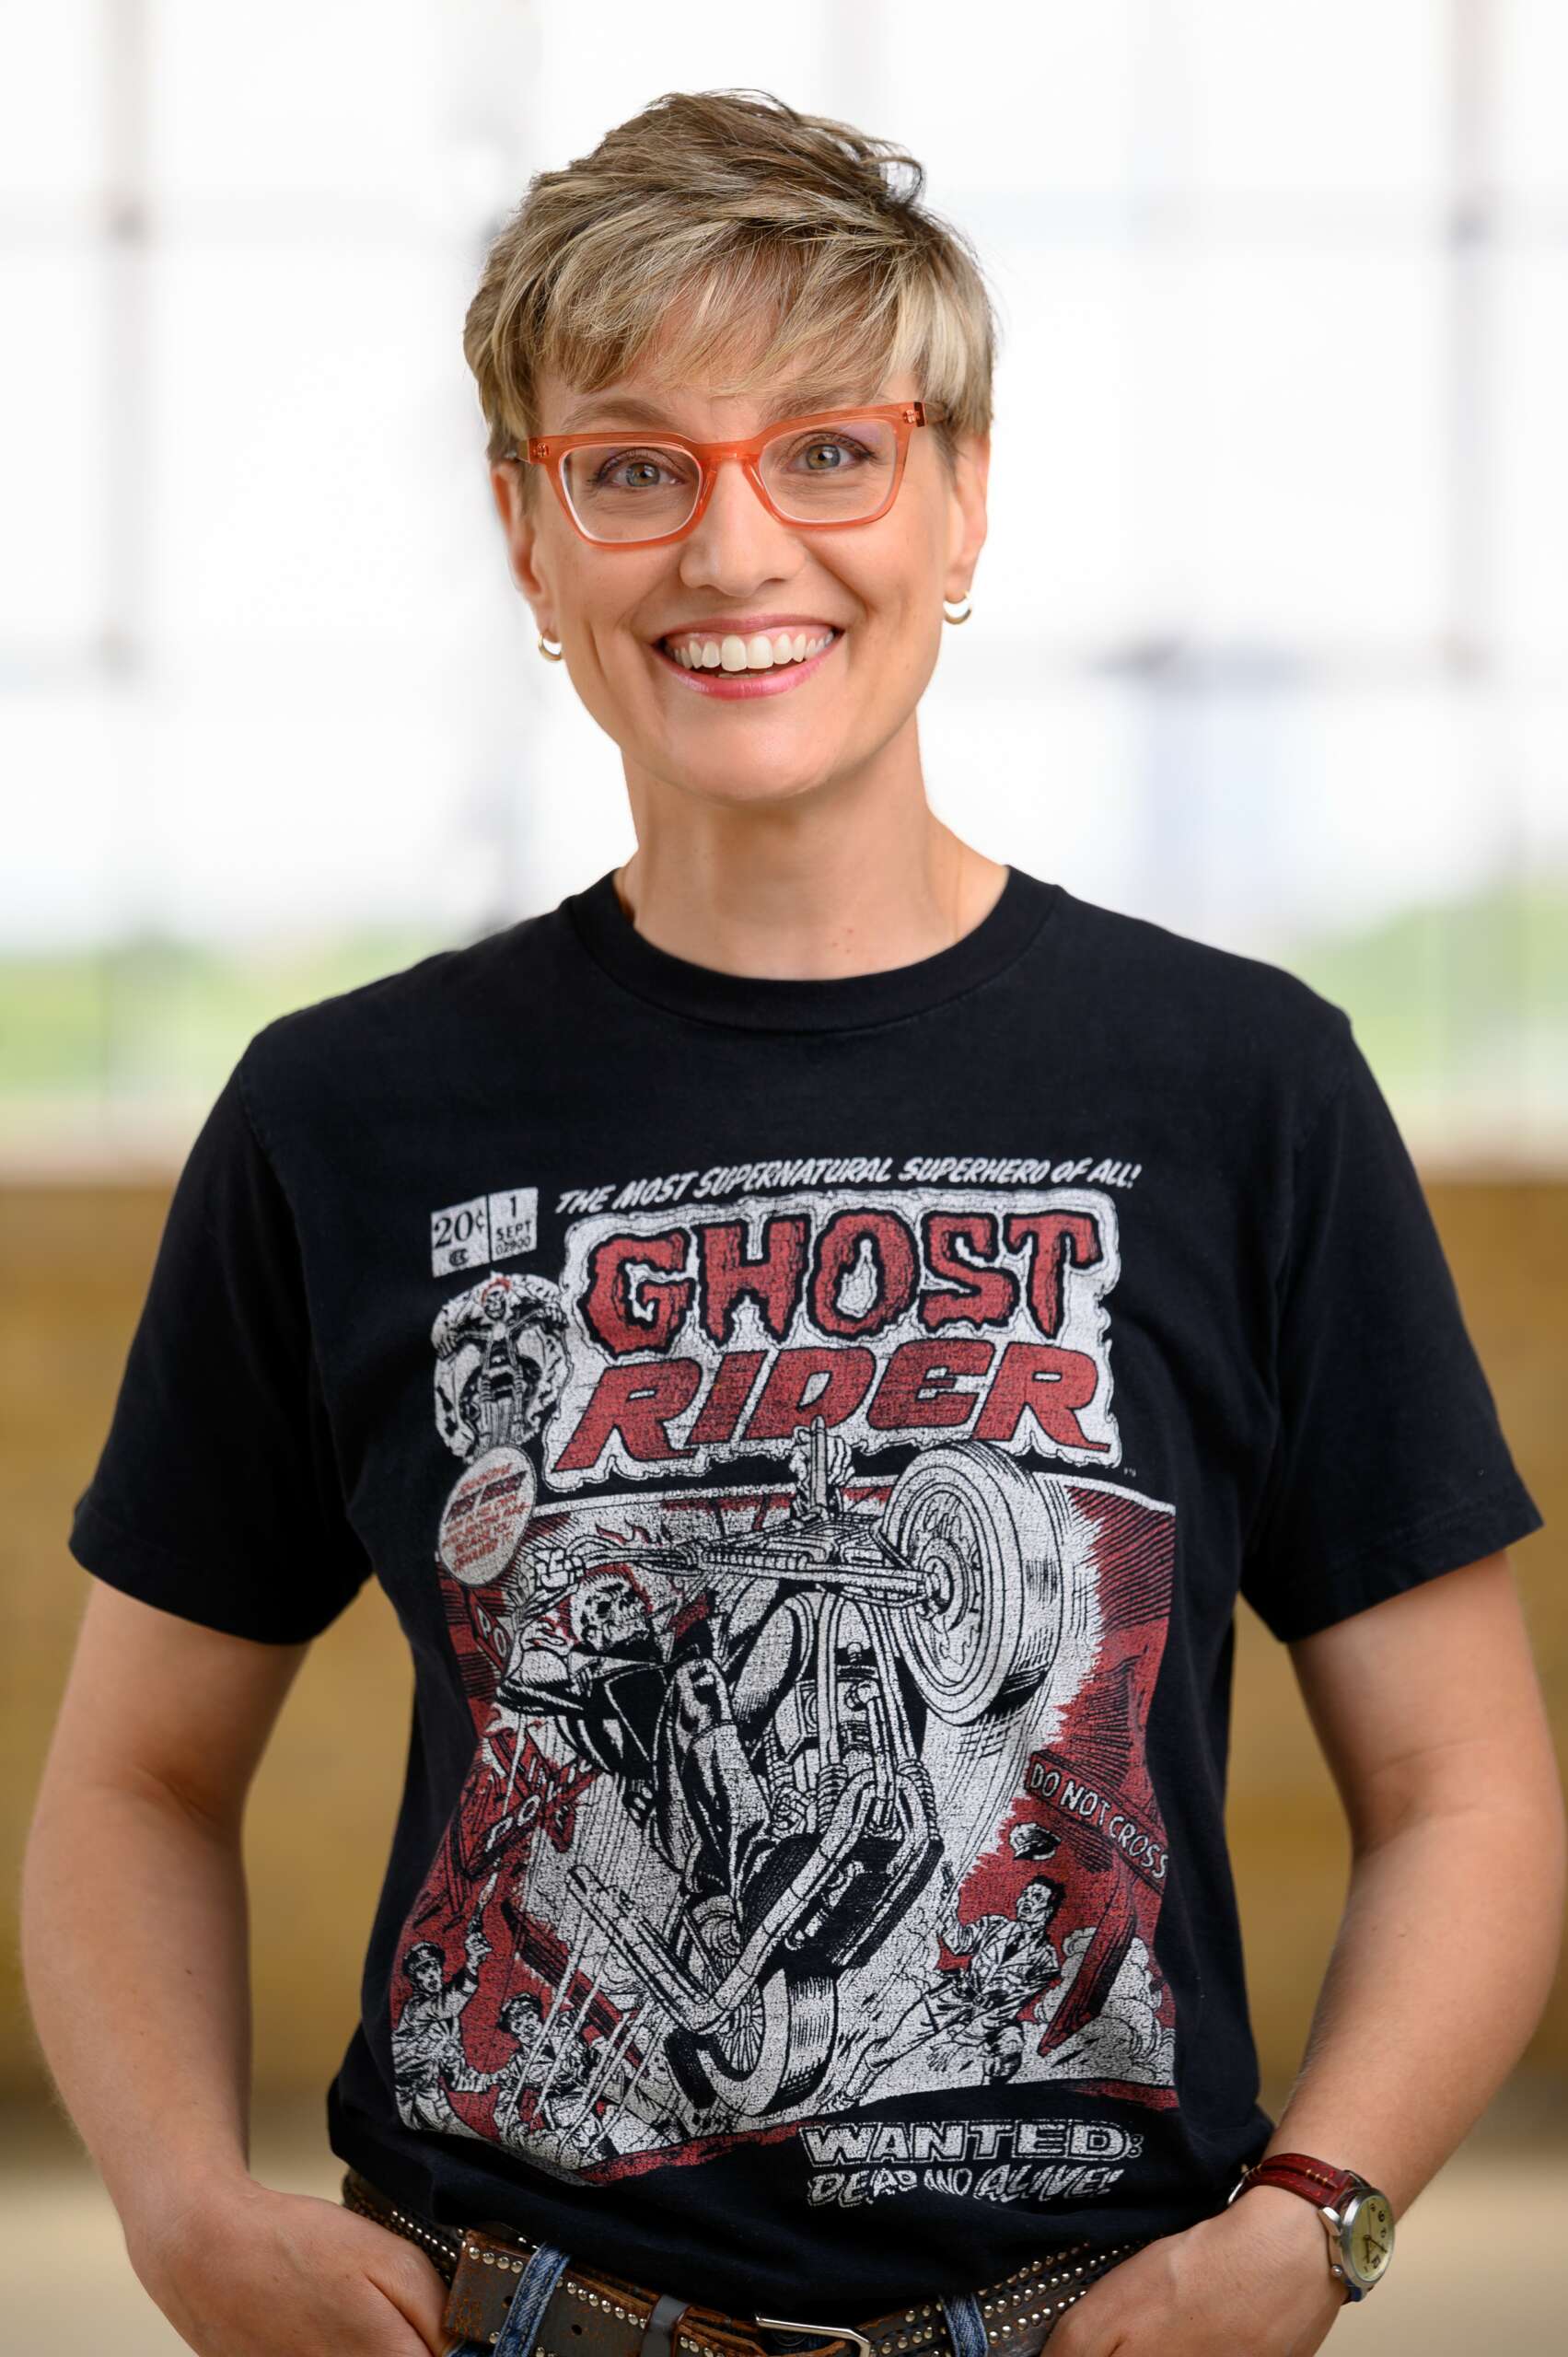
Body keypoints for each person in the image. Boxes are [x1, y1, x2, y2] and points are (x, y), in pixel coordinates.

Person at [20, 85, 1563, 2357]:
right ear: (529, 535)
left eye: (830, 451)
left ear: (962, 497)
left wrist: (1308, 2220)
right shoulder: (342, 1114)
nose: (737, 553)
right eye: (636, 468)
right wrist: (176, 2204)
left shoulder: (1244, 1087)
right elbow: (137, 1774)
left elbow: (1463, 1782)